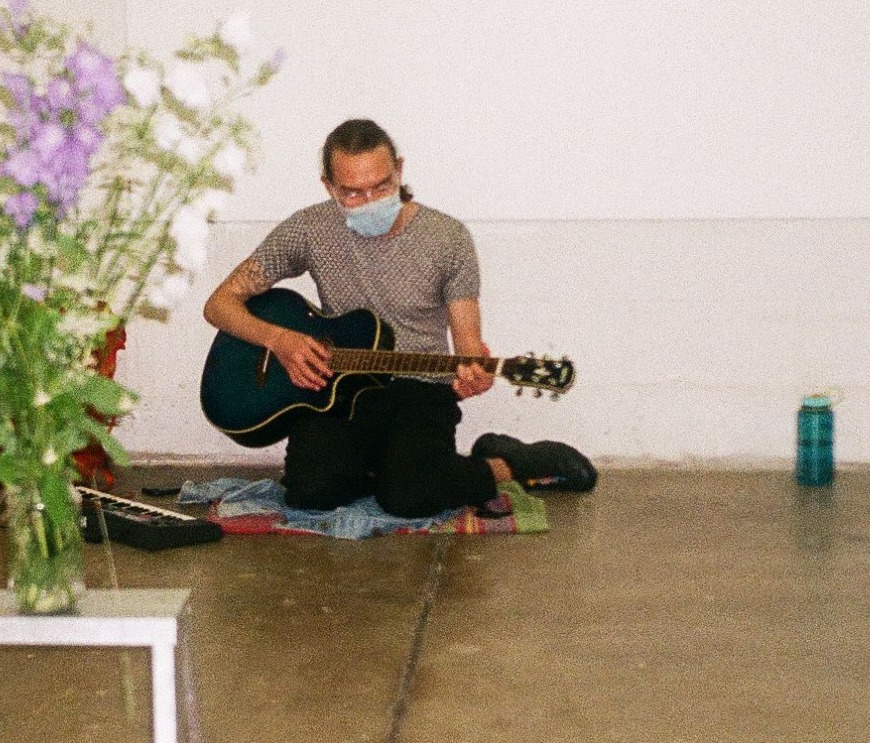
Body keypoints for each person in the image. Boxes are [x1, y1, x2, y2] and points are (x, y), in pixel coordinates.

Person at [200, 118, 594, 518]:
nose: (370, 200)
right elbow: (219, 304)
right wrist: (279, 340)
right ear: (329, 187)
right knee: (310, 493)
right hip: (338, 388)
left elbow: (468, 346)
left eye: (382, 186)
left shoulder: (448, 238)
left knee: (411, 498)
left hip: (420, 389)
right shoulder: (308, 229)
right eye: (353, 192)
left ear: (399, 170)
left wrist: (475, 374)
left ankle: (508, 462)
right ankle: (397, 467)